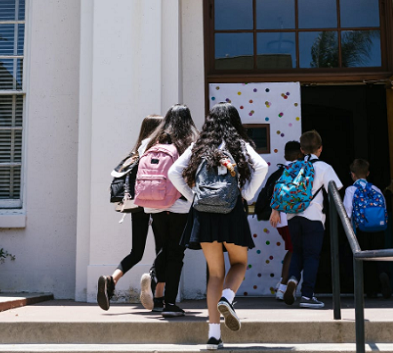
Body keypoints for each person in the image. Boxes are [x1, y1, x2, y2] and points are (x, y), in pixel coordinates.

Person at [169, 103, 268, 350]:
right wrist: (245, 193)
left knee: (215, 273)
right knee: (239, 263)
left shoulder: (198, 146)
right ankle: (228, 298)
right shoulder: (239, 145)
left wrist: (193, 196)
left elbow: (174, 172)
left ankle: (214, 336)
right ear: (234, 121)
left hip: (204, 213)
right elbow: (262, 167)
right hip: (231, 211)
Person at [97, 114, 163, 312]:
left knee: (137, 251)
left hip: (137, 203)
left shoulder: (137, 150)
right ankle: (154, 287)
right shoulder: (159, 148)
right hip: (158, 203)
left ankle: (112, 279)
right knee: (163, 248)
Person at [138, 105, 199, 318]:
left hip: (154, 203)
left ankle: (154, 283)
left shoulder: (151, 142)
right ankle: (170, 303)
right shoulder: (189, 143)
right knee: (176, 253)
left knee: (163, 247)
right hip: (180, 204)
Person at [283, 130, 343, 309]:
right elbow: (336, 190)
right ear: (320, 149)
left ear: (301, 150)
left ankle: (293, 278)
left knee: (297, 251)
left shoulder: (293, 167)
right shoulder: (324, 167)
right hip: (314, 217)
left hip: (293, 216)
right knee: (311, 256)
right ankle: (307, 295)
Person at [343, 159, 392, 299]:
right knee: (378, 257)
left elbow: (346, 212)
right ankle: (383, 273)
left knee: (362, 259)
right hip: (378, 229)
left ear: (352, 175)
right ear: (368, 173)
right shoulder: (376, 190)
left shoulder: (351, 190)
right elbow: (384, 209)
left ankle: (369, 290)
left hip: (360, 230)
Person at [268, 141, 303, 301]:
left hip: (281, 221)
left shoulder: (282, 171)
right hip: (292, 219)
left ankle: (283, 286)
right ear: (299, 155)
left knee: (293, 250)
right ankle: (283, 287)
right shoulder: (297, 170)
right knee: (294, 252)